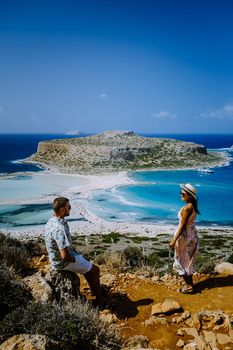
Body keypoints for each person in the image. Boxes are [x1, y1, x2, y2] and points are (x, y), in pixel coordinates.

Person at [45, 197, 105, 306]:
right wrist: (75, 259)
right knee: (95, 270)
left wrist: (79, 257)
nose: (70, 208)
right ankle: (100, 301)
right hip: (63, 262)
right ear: (62, 209)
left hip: (56, 259)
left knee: (87, 268)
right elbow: (64, 255)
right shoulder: (59, 228)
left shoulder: (51, 221)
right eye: (69, 207)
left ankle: (94, 291)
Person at [169, 183, 200, 294]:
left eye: (183, 193)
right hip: (192, 235)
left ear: (190, 196)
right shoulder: (193, 206)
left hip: (185, 237)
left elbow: (182, 226)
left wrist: (173, 240)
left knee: (181, 260)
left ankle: (188, 286)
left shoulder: (187, 208)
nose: (181, 194)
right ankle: (189, 284)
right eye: (181, 192)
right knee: (188, 260)